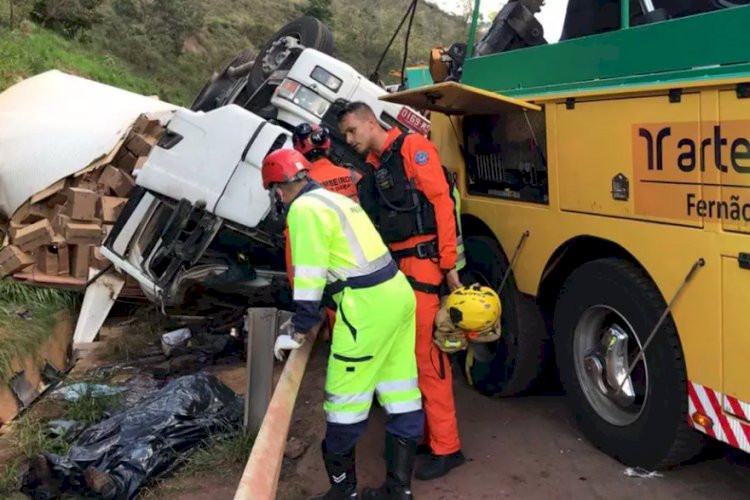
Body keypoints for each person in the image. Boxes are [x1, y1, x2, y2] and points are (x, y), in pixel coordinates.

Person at [263, 148, 424, 499]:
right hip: (397, 295)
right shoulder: (336, 199)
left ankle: (344, 492)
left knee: (342, 404)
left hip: (365, 309)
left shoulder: (303, 210)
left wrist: (300, 326)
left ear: (277, 190)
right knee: (401, 394)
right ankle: (399, 492)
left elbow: (309, 272)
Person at [337, 102, 465, 481]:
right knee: (409, 359)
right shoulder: (378, 169)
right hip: (400, 271)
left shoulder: (412, 149)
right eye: (345, 135)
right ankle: (426, 436)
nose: (349, 140)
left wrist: (450, 267)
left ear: (368, 122)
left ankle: (448, 446)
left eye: (351, 132)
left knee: (428, 359)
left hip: (424, 265)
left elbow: (442, 203)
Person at [283, 123, 364, 336]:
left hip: (336, 285)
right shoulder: (354, 177)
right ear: (328, 145)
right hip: (372, 273)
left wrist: (303, 303)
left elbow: (297, 256)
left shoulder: (301, 192)